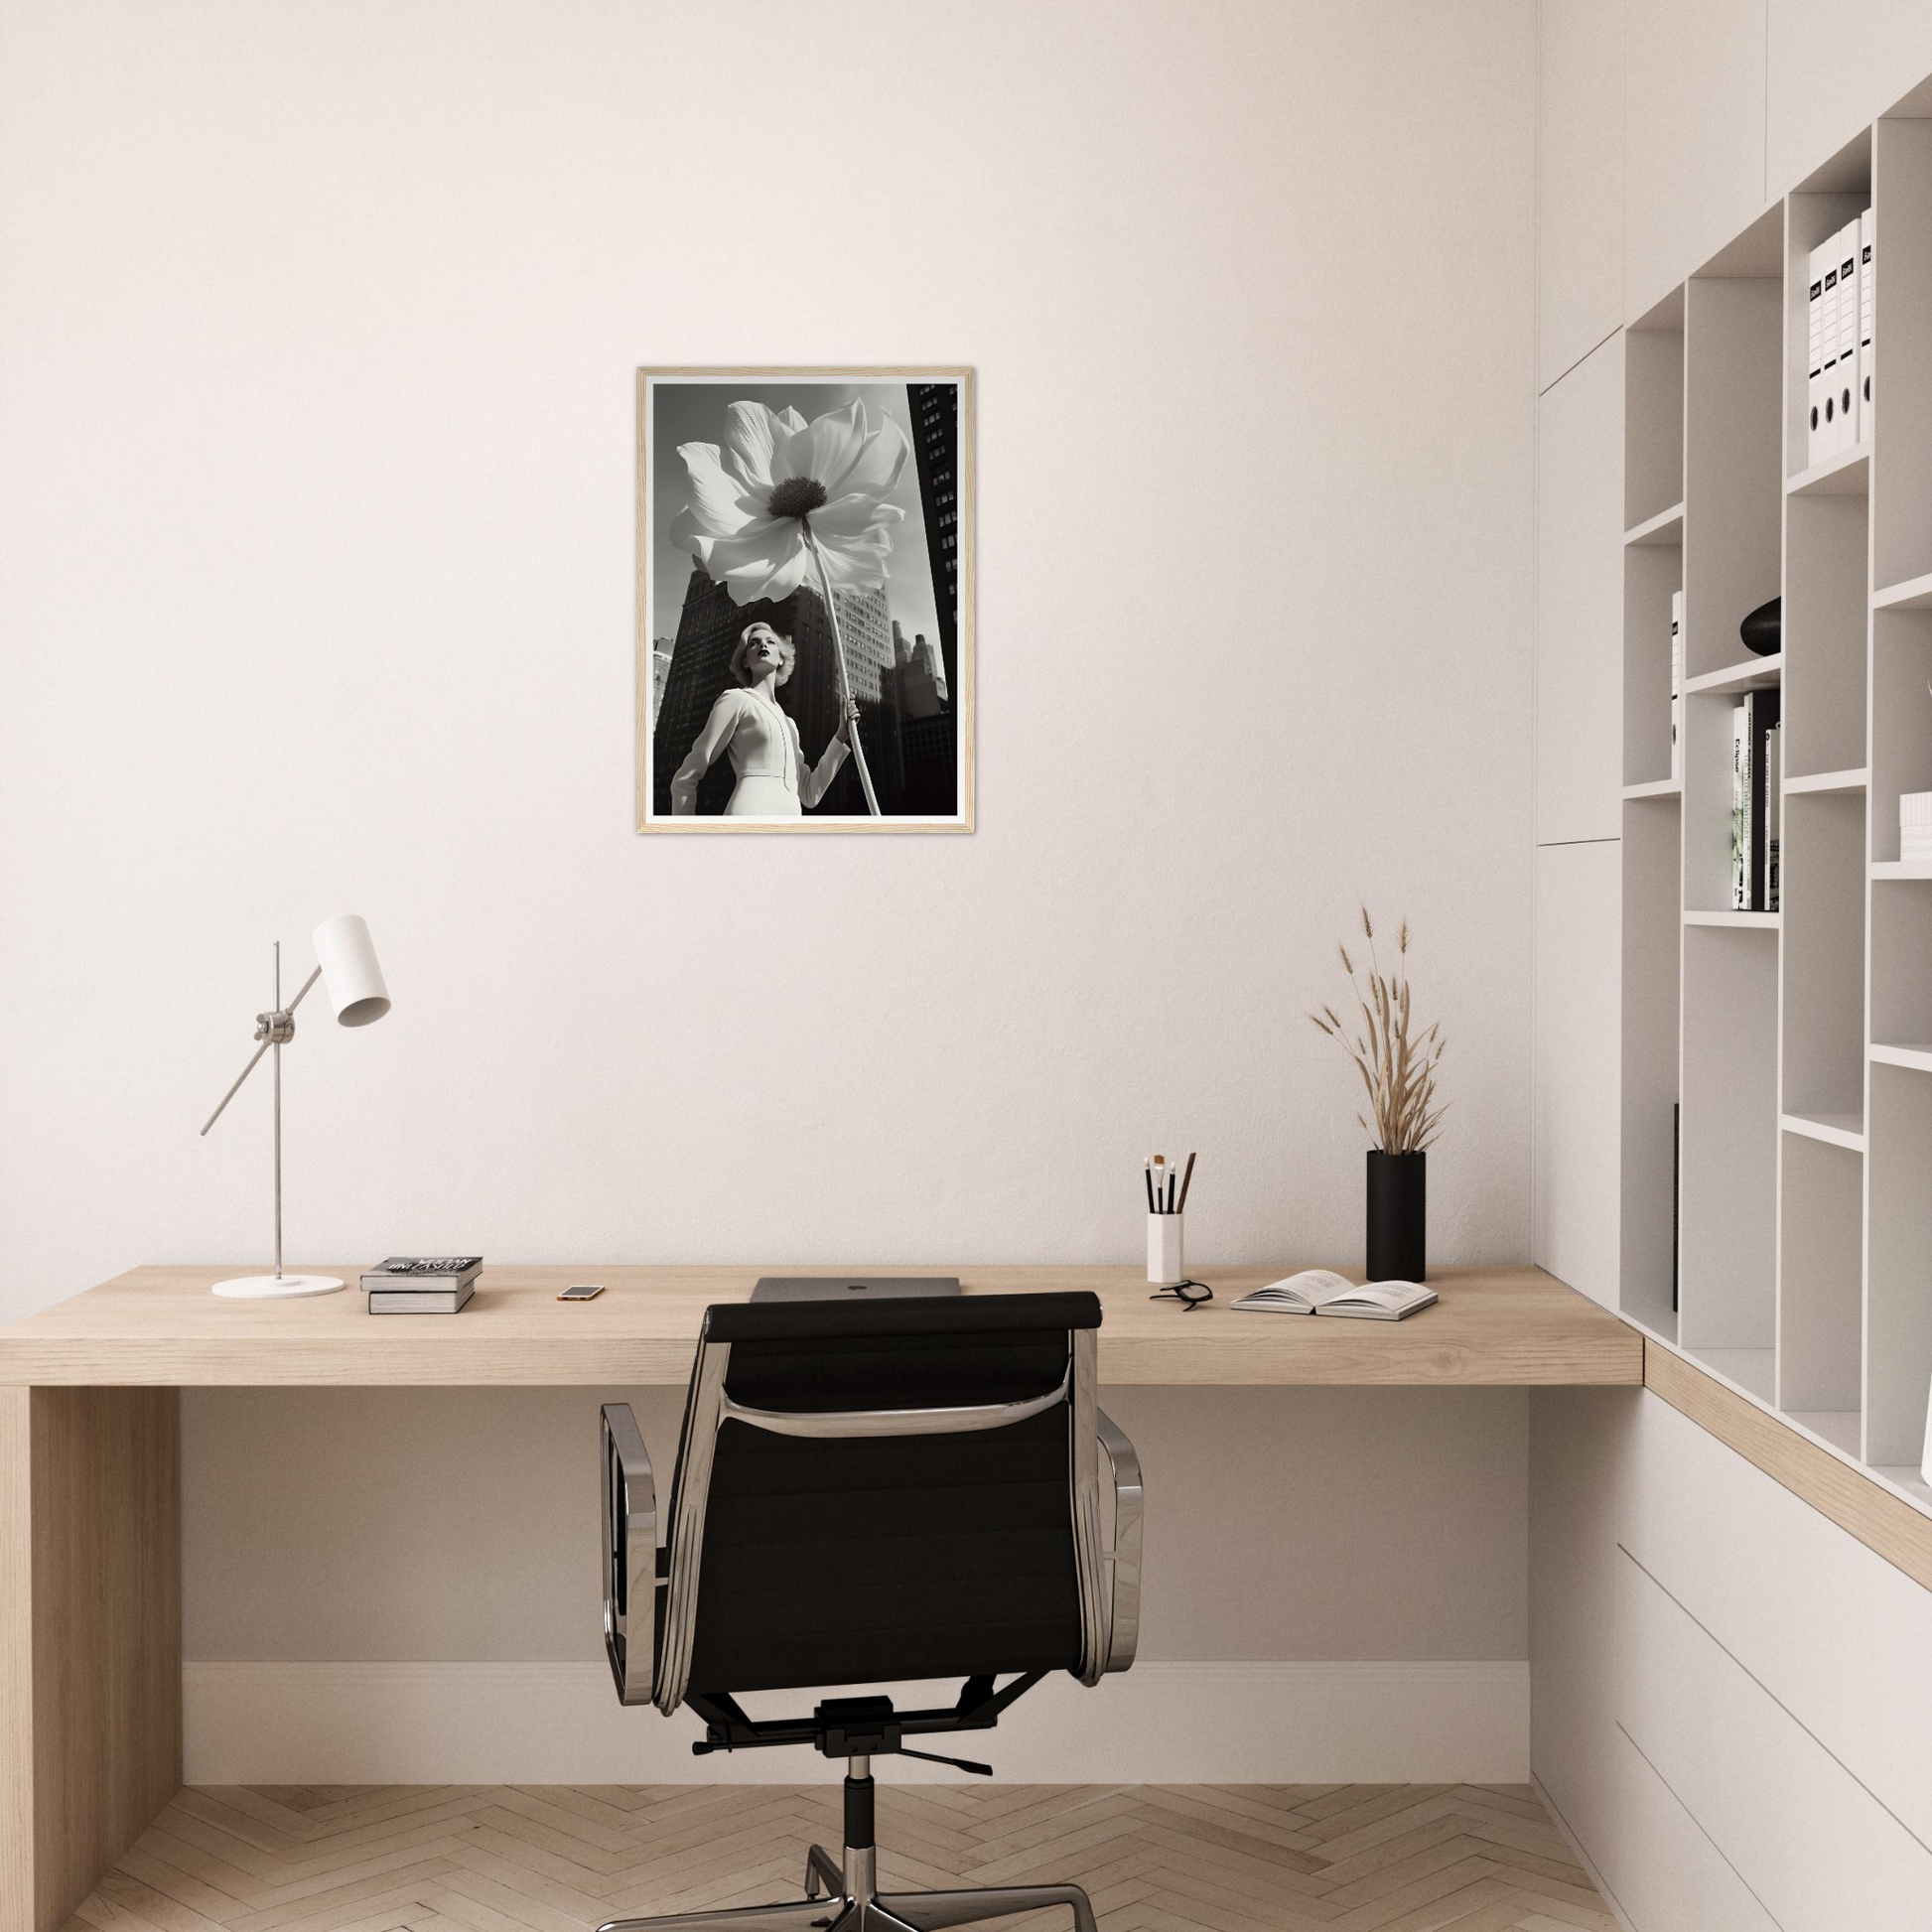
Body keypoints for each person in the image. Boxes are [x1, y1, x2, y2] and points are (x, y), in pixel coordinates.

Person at [669, 622, 859, 817]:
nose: (763, 645)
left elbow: (810, 795)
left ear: (781, 659)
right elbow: (685, 778)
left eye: (770, 642)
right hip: (749, 815)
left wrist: (841, 734)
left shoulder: (790, 724)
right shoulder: (737, 699)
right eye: (754, 643)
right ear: (745, 661)